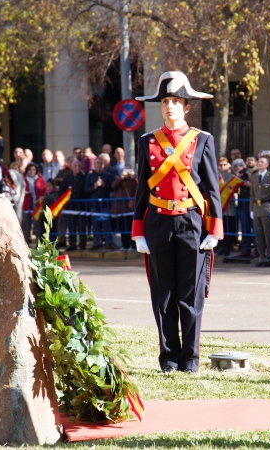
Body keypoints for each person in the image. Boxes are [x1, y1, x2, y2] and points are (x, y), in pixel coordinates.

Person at [132, 71, 223, 374]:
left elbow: (212, 188)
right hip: (158, 222)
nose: (170, 106)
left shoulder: (203, 141)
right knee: (163, 295)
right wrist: (138, 230)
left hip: (191, 223)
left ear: (187, 107)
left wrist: (215, 228)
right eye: (166, 101)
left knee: (190, 295)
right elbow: (142, 190)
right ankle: (168, 359)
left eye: (176, 101)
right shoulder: (147, 142)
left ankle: (191, 359)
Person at [250, 156, 270, 267]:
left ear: (267, 165)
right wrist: (251, 209)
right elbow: (252, 194)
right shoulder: (254, 176)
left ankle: (268, 258)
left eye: (262, 162)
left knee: (268, 235)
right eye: (259, 162)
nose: (260, 164)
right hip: (257, 208)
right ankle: (261, 257)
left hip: (267, 208)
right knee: (259, 235)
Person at [85, 154, 118, 250]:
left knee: (106, 224)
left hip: (105, 203)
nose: (99, 165)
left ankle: (109, 243)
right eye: (97, 163)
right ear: (94, 164)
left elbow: (112, 188)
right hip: (94, 203)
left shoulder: (108, 175)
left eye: (101, 163)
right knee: (95, 225)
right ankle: (96, 243)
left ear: (103, 165)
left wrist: (104, 185)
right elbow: (86, 189)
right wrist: (94, 186)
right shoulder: (90, 176)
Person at [60, 158, 88, 251]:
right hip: (70, 207)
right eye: (75, 166)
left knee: (81, 226)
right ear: (71, 167)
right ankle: (72, 244)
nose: (77, 167)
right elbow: (62, 191)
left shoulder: (84, 178)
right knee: (72, 226)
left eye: (79, 166)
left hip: (81, 206)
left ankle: (82, 244)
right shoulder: (67, 178)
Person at [111, 166, 138, 251]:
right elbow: (113, 186)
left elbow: (138, 187)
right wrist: (122, 177)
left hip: (130, 207)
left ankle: (132, 245)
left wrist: (133, 177)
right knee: (122, 227)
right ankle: (125, 245)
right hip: (120, 208)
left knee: (130, 227)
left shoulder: (133, 180)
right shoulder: (120, 179)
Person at [22, 162, 46, 244]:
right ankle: (25, 247)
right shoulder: (23, 179)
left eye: (33, 169)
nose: (31, 171)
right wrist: (23, 193)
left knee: (37, 228)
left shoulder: (40, 179)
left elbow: (44, 191)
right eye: (30, 169)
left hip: (37, 206)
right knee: (26, 228)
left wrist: (41, 198)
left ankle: (38, 246)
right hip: (26, 206)